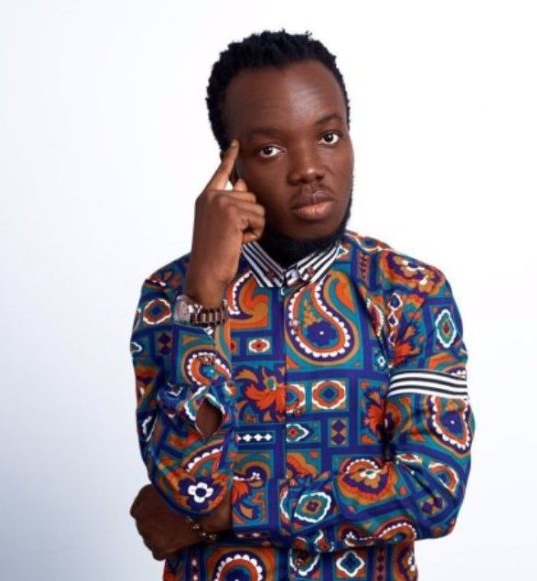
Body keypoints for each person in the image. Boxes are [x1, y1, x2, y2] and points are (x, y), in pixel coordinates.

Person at [128, 29, 476, 581]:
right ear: (231, 167)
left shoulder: (410, 292)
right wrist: (204, 297)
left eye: (329, 136)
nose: (309, 168)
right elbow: (190, 488)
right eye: (270, 149)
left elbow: (433, 492)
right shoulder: (170, 295)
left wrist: (234, 515)